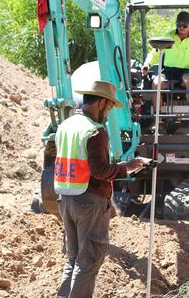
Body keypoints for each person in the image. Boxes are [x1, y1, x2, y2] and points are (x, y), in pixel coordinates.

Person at [55, 80, 148, 298]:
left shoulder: (65, 126)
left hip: (66, 199)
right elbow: (99, 170)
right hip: (89, 202)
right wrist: (128, 167)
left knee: (74, 259)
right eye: (108, 108)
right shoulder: (95, 131)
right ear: (102, 103)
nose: (108, 114)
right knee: (88, 261)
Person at [141, 11, 189, 123]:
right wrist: (147, 64)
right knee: (156, 83)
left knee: (188, 79)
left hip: (187, 70)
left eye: (184, 25)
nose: (181, 28)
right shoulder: (168, 36)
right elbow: (155, 52)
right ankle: (158, 117)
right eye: (179, 25)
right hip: (169, 70)